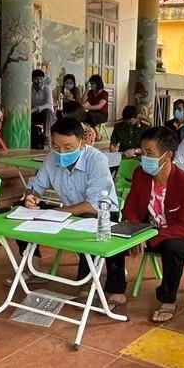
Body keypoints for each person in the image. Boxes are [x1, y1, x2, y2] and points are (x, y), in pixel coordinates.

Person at [20, 118, 121, 302]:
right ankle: (34, 267)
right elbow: (36, 186)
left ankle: (87, 283)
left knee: (89, 219)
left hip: (103, 213)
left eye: (68, 147)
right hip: (67, 210)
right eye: (56, 146)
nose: (61, 152)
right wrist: (31, 196)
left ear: (82, 143)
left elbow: (94, 204)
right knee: (20, 210)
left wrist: (60, 211)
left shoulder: (97, 159)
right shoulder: (52, 157)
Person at [120, 126, 184, 323]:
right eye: (141, 152)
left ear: (167, 156)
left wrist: (149, 238)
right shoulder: (140, 175)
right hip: (147, 231)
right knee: (115, 235)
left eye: (149, 153)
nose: (144, 157)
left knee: (174, 246)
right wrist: (137, 234)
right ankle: (115, 290)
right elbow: (130, 210)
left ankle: (167, 300)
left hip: (179, 236)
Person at [31, 68, 54, 146]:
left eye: (41, 79)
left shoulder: (47, 88)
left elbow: (49, 104)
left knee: (48, 112)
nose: (39, 81)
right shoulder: (29, 89)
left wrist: (37, 108)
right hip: (34, 113)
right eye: (36, 79)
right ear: (32, 79)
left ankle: (46, 136)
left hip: (44, 113)